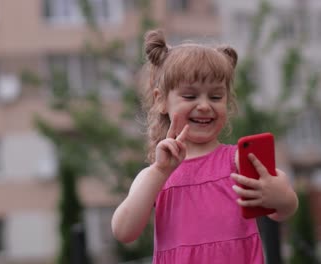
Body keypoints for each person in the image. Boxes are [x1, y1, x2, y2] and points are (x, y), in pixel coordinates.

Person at [111, 29, 298, 263]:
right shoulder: (156, 174)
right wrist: (160, 171)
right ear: (161, 100)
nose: (204, 106)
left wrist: (279, 196)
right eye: (190, 96)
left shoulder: (238, 160)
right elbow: (123, 231)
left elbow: (285, 208)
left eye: (216, 97)